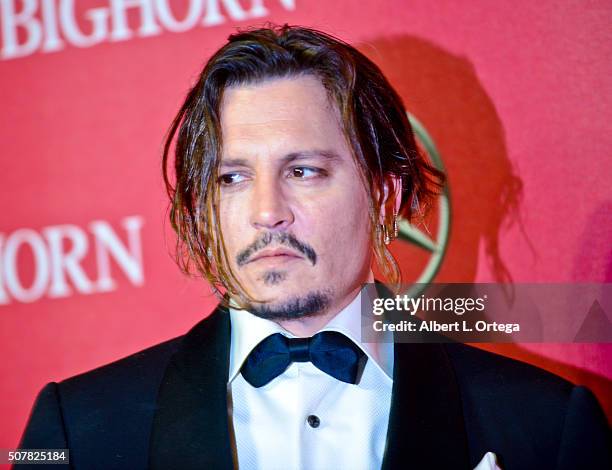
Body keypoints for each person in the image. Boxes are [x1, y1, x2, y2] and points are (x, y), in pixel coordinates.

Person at [19, 24, 610, 470]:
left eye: (303, 171)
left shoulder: (545, 425)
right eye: (232, 178)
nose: (266, 210)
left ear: (383, 197)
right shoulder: (73, 431)